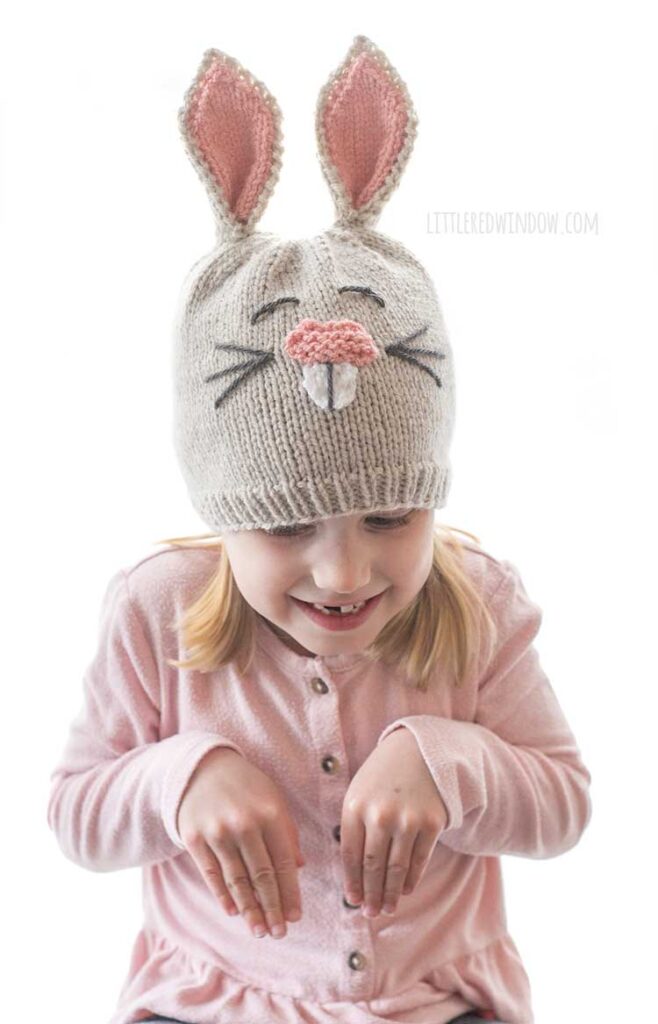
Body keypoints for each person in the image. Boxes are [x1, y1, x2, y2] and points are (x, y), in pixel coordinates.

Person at [46, 35, 592, 1024]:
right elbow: (75, 815)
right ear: (222, 512)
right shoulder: (156, 609)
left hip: (432, 1003)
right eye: (286, 523)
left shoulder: (476, 603)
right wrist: (181, 774)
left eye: (391, 513)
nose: (343, 568)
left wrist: (446, 755)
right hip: (211, 1004)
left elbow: (562, 804)